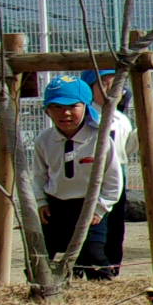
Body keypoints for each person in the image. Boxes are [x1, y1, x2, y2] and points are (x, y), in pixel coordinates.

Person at [33, 77, 124, 281]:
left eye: (72, 106)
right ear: (47, 110)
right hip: (56, 207)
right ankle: (47, 292)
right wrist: (40, 202)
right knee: (42, 256)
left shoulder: (99, 139)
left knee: (93, 255)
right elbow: (38, 176)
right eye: (56, 107)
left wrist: (101, 208)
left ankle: (101, 296)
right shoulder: (44, 140)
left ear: (85, 106)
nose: (65, 113)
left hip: (90, 207)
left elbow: (113, 179)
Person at [82, 69, 133, 278]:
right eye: (104, 84)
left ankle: (112, 266)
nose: (112, 90)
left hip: (119, 171)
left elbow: (126, 149)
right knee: (93, 224)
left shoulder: (121, 118)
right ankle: (89, 266)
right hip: (92, 172)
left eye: (117, 85)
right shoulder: (86, 115)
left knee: (116, 225)